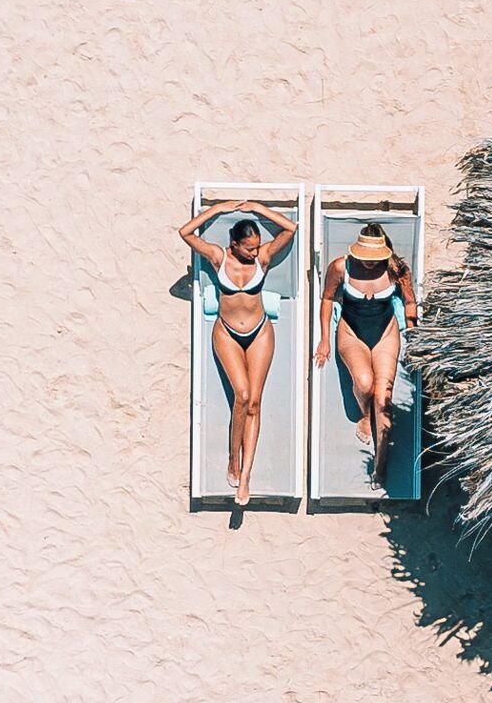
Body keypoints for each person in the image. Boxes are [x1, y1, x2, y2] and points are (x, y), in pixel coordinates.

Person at [180, 199, 300, 501]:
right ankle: (233, 458)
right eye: (249, 248)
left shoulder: (263, 257)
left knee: (255, 403)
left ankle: (246, 475)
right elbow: (186, 233)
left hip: (260, 331)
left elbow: (291, 228)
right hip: (228, 333)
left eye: (257, 246)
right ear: (233, 244)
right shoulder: (218, 257)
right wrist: (219, 210)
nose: (254, 252)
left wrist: (257, 209)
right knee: (242, 397)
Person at [317, 220, 421, 479]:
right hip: (352, 332)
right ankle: (365, 415)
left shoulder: (397, 270)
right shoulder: (341, 267)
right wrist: (324, 339)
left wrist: (413, 334)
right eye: (365, 258)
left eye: (374, 259)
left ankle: (380, 463)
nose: (369, 263)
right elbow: (327, 298)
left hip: (385, 332)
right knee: (364, 385)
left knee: (383, 397)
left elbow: (409, 302)